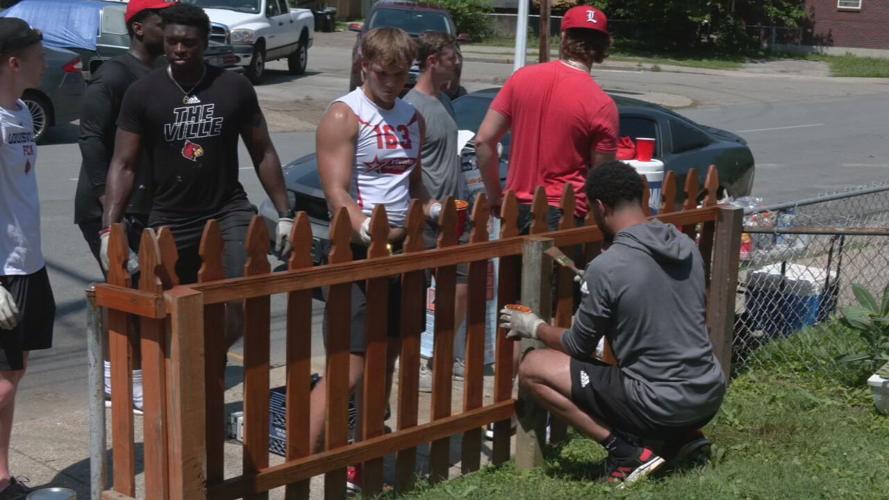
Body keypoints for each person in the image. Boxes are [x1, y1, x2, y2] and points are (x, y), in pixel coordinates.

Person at [499, 161, 725, 486]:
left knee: (534, 367)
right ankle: (679, 439)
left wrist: (533, 326)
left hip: (661, 402)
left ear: (601, 207)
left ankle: (624, 453)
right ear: (640, 198)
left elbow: (579, 345)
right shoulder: (685, 246)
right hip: (707, 394)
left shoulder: (609, 266)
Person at [101, 3, 293, 348]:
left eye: (188, 42)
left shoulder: (233, 87)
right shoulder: (143, 93)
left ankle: (208, 365)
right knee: (165, 308)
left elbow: (262, 150)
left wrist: (284, 214)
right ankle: (189, 375)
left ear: (205, 42)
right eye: (172, 41)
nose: (178, 49)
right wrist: (107, 227)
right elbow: (123, 164)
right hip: (170, 214)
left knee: (242, 297)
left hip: (227, 209)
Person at [309, 27, 439, 492]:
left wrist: (434, 208)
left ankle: (362, 457)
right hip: (358, 252)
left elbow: (413, 181)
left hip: (403, 251)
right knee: (349, 365)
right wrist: (368, 230)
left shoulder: (411, 117)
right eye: (383, 74)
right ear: (365, 65)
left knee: (387, 360)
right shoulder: (346, 115)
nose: (391, 83)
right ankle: (299, 463)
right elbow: (335, 190)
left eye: (400, 75)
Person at [75, 0, 176, 415]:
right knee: (128, 293)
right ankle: (125, 385)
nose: (169, 31)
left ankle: (131, 374)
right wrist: (108, 211)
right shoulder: (114, 75)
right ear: (137, 28)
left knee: (145, 291)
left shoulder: (162, 74)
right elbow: (92, 139)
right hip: (108, 209)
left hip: (146, 206)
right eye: (161, 22)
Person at [475, 4, 618, 230]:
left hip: (515, 209)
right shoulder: (602, 104)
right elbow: (602, 177)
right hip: (564, 213)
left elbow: (483, 140)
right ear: (603, 47)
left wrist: (494, 195)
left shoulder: (521, 78)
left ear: (563, 38)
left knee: (513, 266)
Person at [0, 17, 54, 498]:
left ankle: (0, 475)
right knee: (3, 381)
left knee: (13, 374)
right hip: (3, 271)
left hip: (28, 262)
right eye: (39, 56)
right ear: (14, 62)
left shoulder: (20, 111)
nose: (47, 61)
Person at [402, 32, 469, 391]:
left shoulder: (446, 100)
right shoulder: (413, 107)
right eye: (451, 58)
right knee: (415, 295)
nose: (457, 63)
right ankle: (413, 363)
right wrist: (428, 206)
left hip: (455, 215)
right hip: (427, 217)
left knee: (458, 288)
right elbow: (409, 167)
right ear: (431, 62)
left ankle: (442, 356)